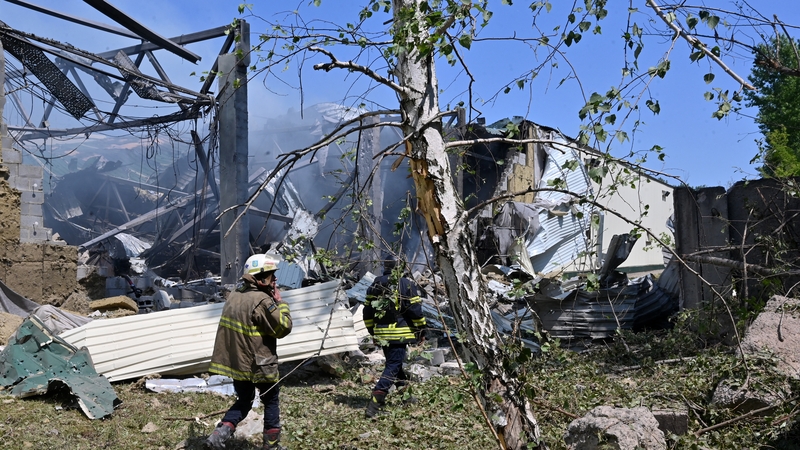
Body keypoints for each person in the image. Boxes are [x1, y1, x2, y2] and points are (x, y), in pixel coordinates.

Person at [205, 253, 293, 450]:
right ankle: (271, 446)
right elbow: (283, 327)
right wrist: (281, 303)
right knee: (271, 400)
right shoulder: (262, 301)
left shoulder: (235, 295)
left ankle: (219, 434)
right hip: (259, 363)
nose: (274, 280)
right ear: (260, 278)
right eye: (271, 275)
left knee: (245, 400)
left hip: (238, 362)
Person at [362, 256, 428, 418]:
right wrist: (422, 329)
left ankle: (407, 398)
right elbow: (414, 310)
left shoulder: (375, 284)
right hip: (400, 334)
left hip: (383, 334)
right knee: (392, 366)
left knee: (395, 365)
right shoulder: (405, 284)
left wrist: (373, 331)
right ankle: (376, 401)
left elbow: (367, 312)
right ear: (402, 267)